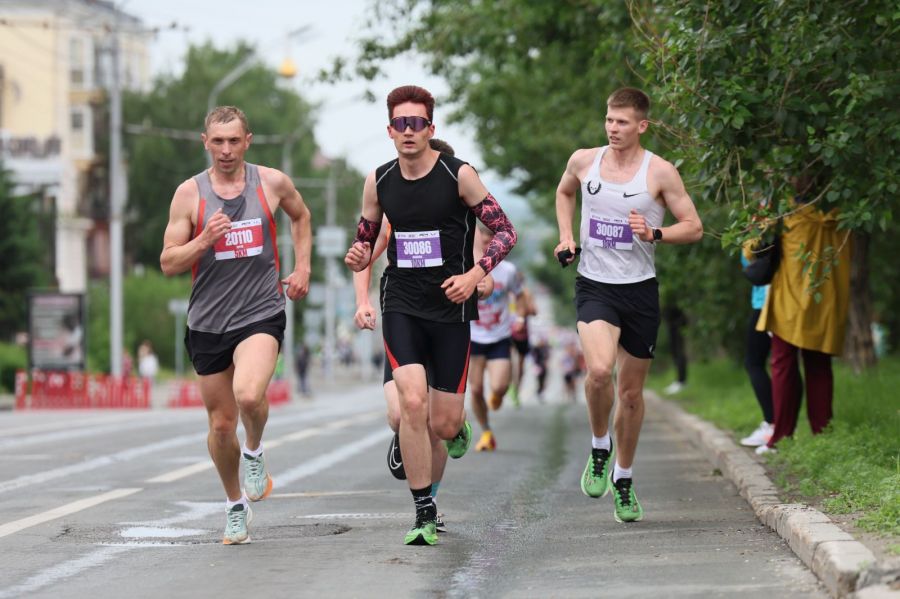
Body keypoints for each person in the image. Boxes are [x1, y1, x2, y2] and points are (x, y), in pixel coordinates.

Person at [345, 85, 517, 545]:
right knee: (410, 405)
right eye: (400, 123)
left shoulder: (458, 175)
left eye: (416, 123)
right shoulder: (378, 180)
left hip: (451, 309)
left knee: (442, 423)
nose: (408, 131)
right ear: (389, 130)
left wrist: (476, 272)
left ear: (430, 128)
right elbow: (366, 238)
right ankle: (423, 512)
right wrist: (358, 256)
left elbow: (505, 230)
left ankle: (453, 429)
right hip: (401, 303)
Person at [160, 105, 312, 545]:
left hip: (260, 311)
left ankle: (256, 450)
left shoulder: (271, 182)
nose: (226, 150)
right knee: (221, 424)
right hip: (207, 322)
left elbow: (301, 216)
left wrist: (302, 268)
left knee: (249, 393)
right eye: (218, 141)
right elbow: (169, 261)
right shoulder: (189, 195)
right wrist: (203, 240)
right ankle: (234, 505)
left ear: (248, 141)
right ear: (204, 142)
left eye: (234, 141)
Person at [555, 87, 703, 523]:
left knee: (632, 394)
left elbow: (693, 227)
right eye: (608, 120)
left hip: (639, 290)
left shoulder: (660, 173)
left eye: (622, 122)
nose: (612, 128)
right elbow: (565, 193)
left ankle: (624, 476)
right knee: (600, 370)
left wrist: (655, 234)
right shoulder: (584, 161)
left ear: (642, 125)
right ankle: (600, 448)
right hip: (594, 284)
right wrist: (567, 236)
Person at [352, 137, 489, 534]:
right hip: (404, 312)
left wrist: (479, 281)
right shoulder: (394, 213)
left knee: (440, 426)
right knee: (404, 411)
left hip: (447, 317)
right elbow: (364, 251)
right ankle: (423, 506)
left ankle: (445, 451)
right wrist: (362, 301)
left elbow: (486, 267)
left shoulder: (465, 217)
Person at [754, 184, 850, 454]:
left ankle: (781, 437)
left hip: (790, 301)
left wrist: (759, 219)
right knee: (819, 367)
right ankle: (823, 437)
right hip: (827, 302)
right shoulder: (844, 212)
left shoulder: (785, 211)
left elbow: (753, 250)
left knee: (783, 366)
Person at [468, 223, 529, 451]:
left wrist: (520, 319)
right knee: (475, 390)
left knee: (500, 386)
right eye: (481, 239)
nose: (485, 244)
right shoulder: (467, 267)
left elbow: (520, 296)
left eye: (490, 239)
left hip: (499, 336)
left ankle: (499, 394)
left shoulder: (508, 271)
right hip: (473, 335)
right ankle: (486, 433)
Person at [739, 252, 774, 447]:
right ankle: (776, 424)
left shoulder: (761, 231)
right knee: (761, 363)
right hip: (763, 302)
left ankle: (773, 424)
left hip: (767, 303)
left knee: (754, 362)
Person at [508, 284, 537, 406]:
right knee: (507, 360)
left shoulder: (526, 292)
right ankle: (509, 384)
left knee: (520, 364)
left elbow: (534, 311)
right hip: (506, 331)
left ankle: (516, 389)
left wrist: (524, 308)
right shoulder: (505, 291)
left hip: (522, 334)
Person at [661, 301, 688, 394]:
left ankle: (681, 381)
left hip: (678, 324)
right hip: (671, 324)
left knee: (679, 352)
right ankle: (679, 381)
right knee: (674, 352)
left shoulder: (674, 295)